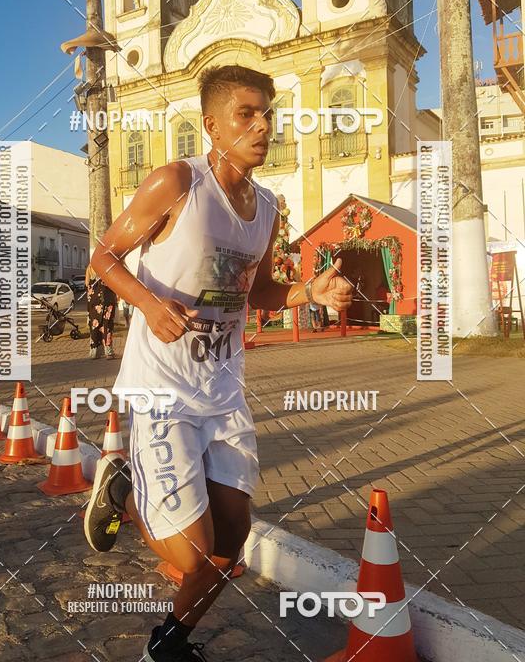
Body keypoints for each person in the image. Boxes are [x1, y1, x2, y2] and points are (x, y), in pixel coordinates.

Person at [84, 65, 354, 661]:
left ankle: (168, 642)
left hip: (223, 388)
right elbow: (102, 257)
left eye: (269, 114)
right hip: (163, 387)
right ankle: (127, 490)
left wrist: (306, 293)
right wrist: (151, 305)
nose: (263, 126)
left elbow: (250, 291)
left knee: (232, 539)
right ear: (211, 125)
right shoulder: (177, 183)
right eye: (246, 114)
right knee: (192, 554)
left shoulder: (268, 208)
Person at [85, 263, 117, 359]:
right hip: (107, 300)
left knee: (94, 326)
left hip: (94, 303)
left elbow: (87, 285)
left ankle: (95, 350)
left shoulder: (90, 269)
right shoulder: (108, 268)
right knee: (107, 326)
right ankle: (108, 350)